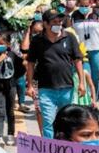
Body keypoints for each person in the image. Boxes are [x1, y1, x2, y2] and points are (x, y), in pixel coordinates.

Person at [25, 9, 85, 137]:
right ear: (45, 24)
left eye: (60, 21)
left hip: (67, 87)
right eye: (54, 22)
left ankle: (65, 149)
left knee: (66, 122)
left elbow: (78, 60)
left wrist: (82, 83)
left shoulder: (69, 38)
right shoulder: (37, 41)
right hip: (46, 89)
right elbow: (30, 63)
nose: (58, 24)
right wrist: (29, 85)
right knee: (48, 123)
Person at [71, 0, 99, 99]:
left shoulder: (98, 14)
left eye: (86, 5)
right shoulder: (74, 16)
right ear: (78, 5)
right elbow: (70, 33)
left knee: (95, 76)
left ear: (91, 4)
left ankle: (94, 99)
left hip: (96, 49)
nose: (84, 8)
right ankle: (86, 98)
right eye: (81, 6)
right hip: (80, 51)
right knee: (85, 74)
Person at [0, 31, 23, 146]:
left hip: (11, 87)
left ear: (8, 44)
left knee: (10, 112)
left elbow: (21, 69)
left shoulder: (12, 55)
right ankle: (0, 136)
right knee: (0, 112)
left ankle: (11, 134)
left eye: (2, 43)